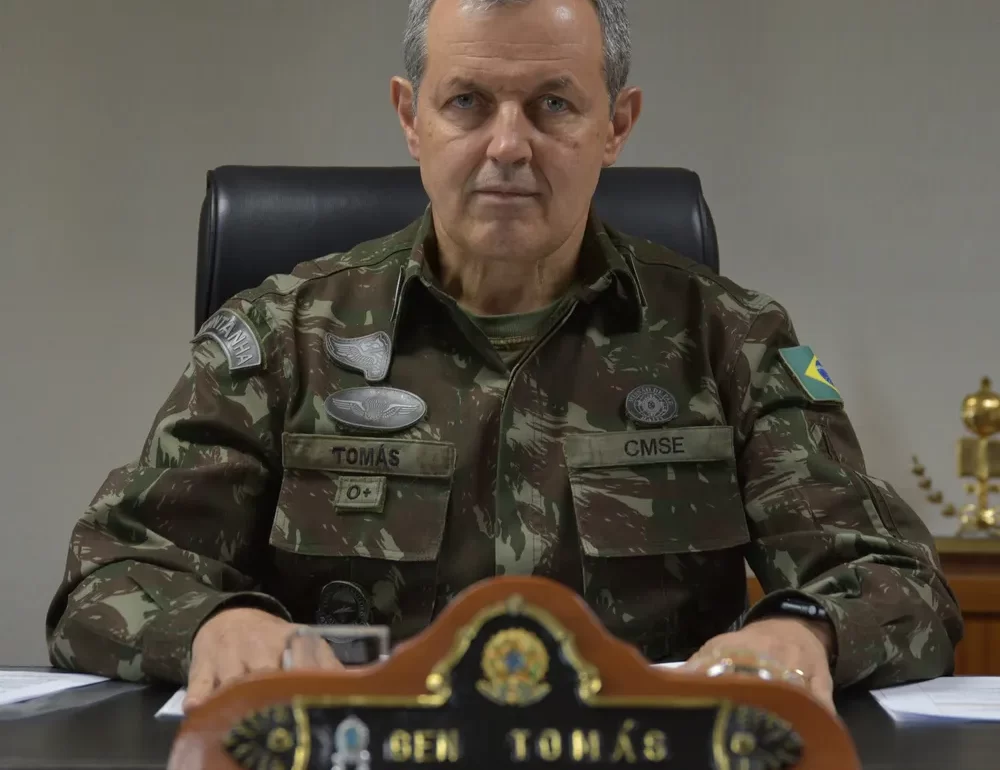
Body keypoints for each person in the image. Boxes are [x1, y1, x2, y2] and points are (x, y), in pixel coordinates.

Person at [46, 0, 962, 713]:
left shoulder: (731, 339)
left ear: (617, 124)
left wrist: (805, 630)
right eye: (468, 103)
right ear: (411, 117)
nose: (509, 145)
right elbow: (108, 572)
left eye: (553, 104)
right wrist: (215, 624)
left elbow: (898, 580)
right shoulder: (285, 336)